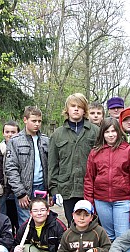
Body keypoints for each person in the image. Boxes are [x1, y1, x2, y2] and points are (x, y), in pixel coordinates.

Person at [84, 117, 130, 240]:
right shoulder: (95, 152)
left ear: (119, 132)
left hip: (123, 201)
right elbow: (89, 180)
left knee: (122, 237)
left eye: (113, 131)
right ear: (102, 133)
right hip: (101, 201)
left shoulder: (128, 151)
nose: (111, 135)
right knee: (108, 237)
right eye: (107, 132)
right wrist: (90, 205)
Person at [48, 93, 99, 225]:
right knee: (73, 225)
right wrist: (54, 190)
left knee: (92, 224)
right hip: (67, 188)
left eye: (80, 107)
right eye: (73, 106)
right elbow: (53, 164)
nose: (76, 109)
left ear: (84, 110)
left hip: (90, 188)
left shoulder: (95, 132)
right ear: (67, 109)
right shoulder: (57, 135)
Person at [6, 106, 49, 226]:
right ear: (25, 120)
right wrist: (20, 193)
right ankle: (25, 244)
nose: (37, 124)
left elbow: (51, 167)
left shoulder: (46, 140)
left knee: (42, 219)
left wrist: (50, 190)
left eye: (39, 121)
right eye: (33, 121)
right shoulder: (15, 141)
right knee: (26, 222)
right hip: (24, 189)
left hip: (42, 188)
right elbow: (10, 169)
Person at [1, 121, 20, 232]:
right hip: (3, 189)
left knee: (18, 218)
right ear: (3, 133)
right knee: (6, 218)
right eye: (7, 132)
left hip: (18, 190)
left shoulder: (21, 147)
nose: (10, 134)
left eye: (13, 132)